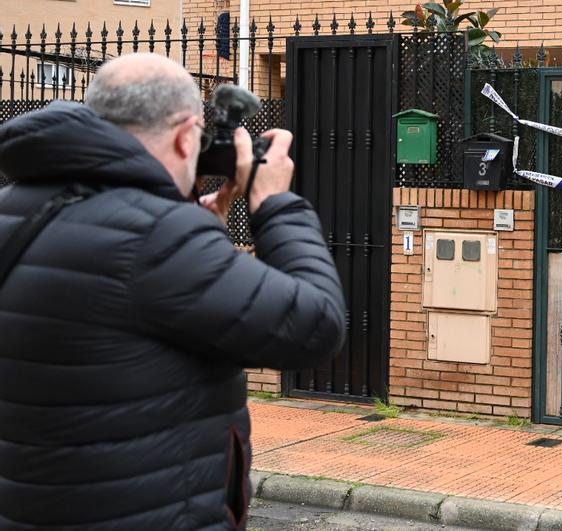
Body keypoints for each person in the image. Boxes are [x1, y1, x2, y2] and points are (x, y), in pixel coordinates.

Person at [0, 53, 346, 530]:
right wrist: (275, 204)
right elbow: (315, 326)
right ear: (187, 135)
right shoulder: (158, 237)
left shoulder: (16, 209)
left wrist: (197, 234)